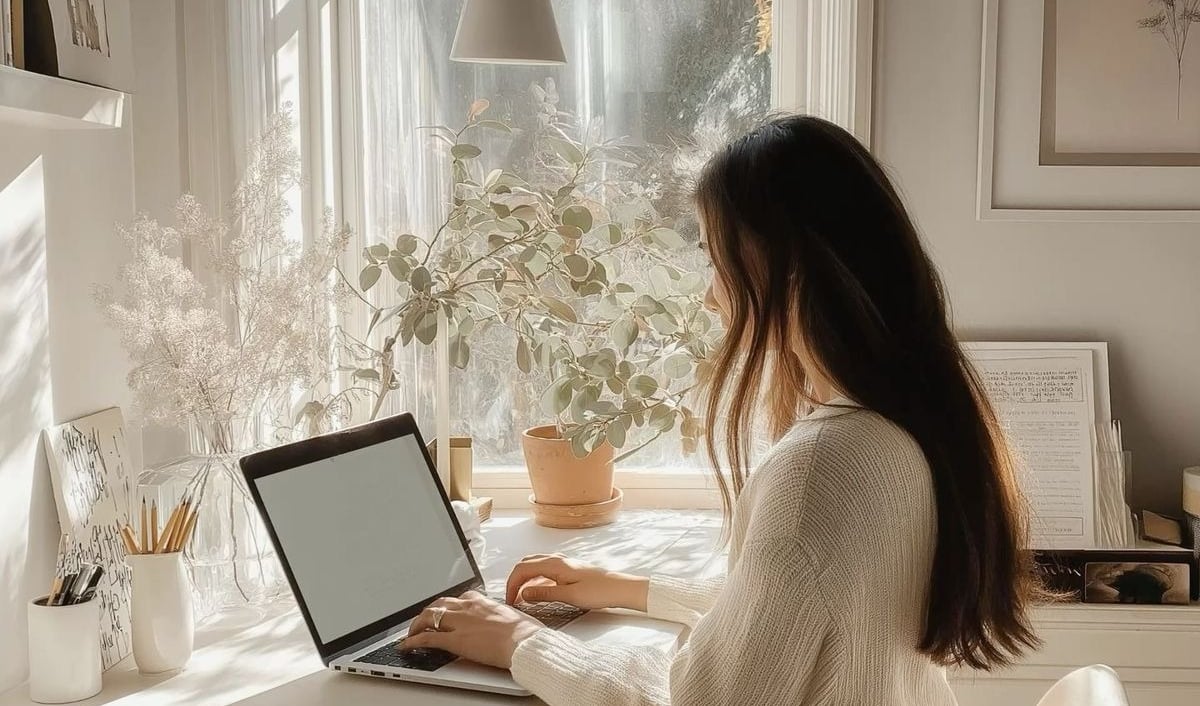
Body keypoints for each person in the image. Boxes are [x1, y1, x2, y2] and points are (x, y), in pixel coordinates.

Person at [402, 115, 1042, 705]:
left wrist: (521, 644)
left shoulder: (822, 468)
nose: (710, 298)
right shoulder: (899, 428)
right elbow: (793, 611)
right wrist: (629, 590)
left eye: (714, 260)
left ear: (784, 274)